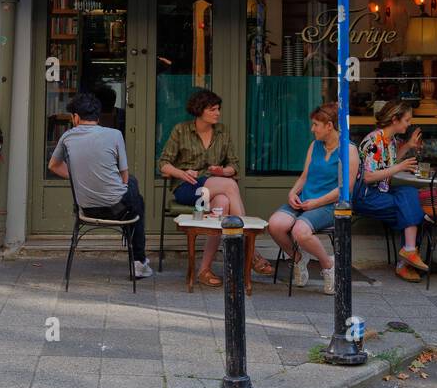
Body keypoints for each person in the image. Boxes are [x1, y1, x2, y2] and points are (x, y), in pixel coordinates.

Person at [159, 87, 273, 287]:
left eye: (218, 109)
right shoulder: (181, 130)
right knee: (229, 187)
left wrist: (223, 171)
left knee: (223, 203)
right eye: (213, 109)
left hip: (215, 185)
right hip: (189, 187)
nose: (217, 113)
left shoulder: (222, 132)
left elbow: (234, 166)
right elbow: (163, 164)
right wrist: (182, 173)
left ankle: (204, 270)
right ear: (200, 109)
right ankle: (251, 252)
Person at [48, 91, 153, 279]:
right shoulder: (115, 134)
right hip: (116, 210)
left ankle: (138, 256)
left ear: (76, 117)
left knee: (135, 199)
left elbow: (53, 166)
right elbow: (125, 176)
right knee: (135, 192)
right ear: (98, 116)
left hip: (87, 210)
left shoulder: (67, 137)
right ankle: (139, 260)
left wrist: (80, 176)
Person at [268, 103, 360, 294]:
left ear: (329, 125)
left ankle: (328, 265)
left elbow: (346, 188)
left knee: (300, 231)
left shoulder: (348, 150)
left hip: (330, 205)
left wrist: (316, 203)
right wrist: (293, 193)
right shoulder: (315, 145)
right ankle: (298, 259)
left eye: (316, 125)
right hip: (306, 200)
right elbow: (304, 176)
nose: (312, 129)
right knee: (275, 225)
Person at [352, 100, 430, 282]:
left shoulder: (390, 140)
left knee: (411, 194)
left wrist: (409, 146)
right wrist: (399, 167)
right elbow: (368, 177)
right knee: (412, 208)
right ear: (395, 119)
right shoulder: (373, 141)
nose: (409, 124)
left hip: (382, 192)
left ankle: (408, 253)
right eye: (407, 120)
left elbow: (391, 159)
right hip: (366, 196)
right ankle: (406, 260)